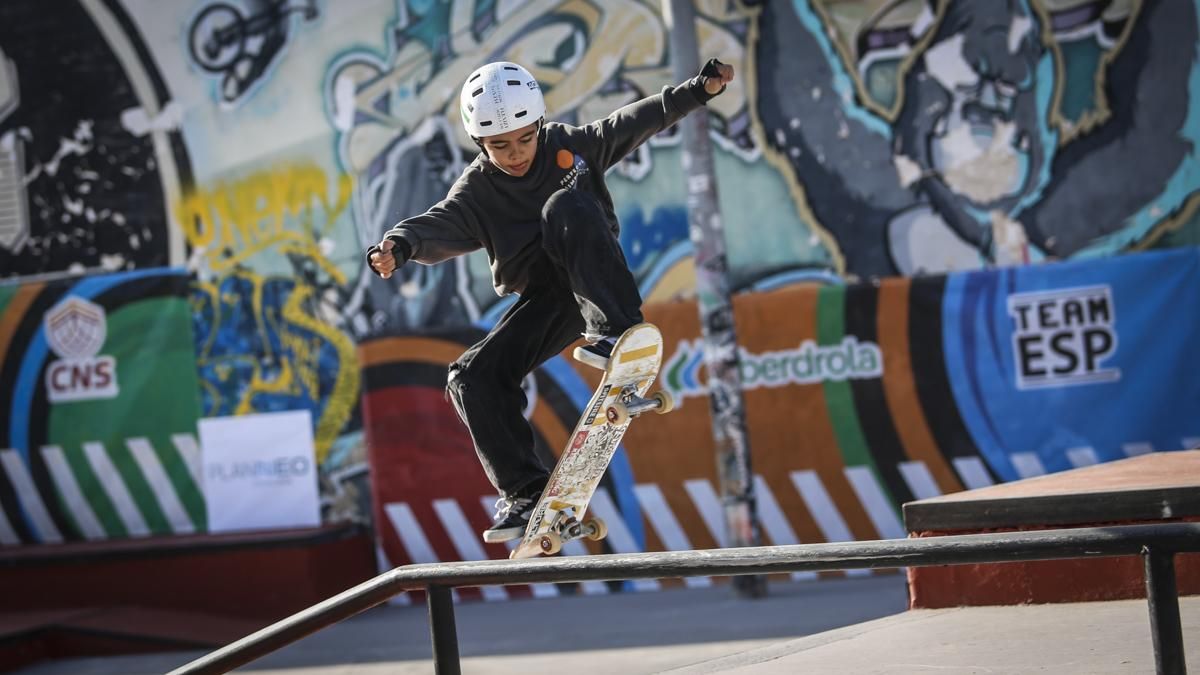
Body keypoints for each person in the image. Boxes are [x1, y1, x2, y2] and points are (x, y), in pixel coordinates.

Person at [367, 58, 735, 543]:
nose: (516, 153)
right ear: (479, 143)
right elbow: (438, 222)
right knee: (471, 379)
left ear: (539, 123)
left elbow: (633, 121)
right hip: (547, 302)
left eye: (525, 138)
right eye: (499, 145)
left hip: (595, 281)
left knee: (567, 203)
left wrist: (698, 90)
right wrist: (400, 245)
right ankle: (526, 493)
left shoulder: (572, 147)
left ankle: (616, 332)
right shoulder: (477, 192)